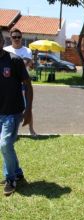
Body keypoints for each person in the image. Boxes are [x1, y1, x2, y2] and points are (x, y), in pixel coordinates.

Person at [0, 31, 33, 196]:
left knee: (5, 144)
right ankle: (17, 171)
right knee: (6, 146)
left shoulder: (14, 60)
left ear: (2, 41)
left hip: (12, 112)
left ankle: (11, 178)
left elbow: (28, 85)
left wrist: (28, 110)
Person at [4, 28, 37, 137]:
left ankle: (31, 130)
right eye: (14, 37)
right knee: (9, 107)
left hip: (24, 83)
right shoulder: (5, 49)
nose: (17, 39)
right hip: (8, 84)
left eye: (19, 37)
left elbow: (25, 64)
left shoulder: (26, 50)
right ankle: (11, 131)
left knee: (27, 106)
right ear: (10, 38)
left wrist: (11, 66)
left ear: (21, 38)